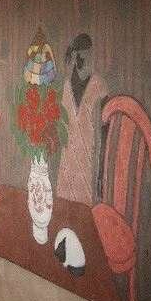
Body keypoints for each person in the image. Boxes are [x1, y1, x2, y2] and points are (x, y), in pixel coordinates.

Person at [55, 33, 107, 204]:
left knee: (85, 207)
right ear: (75, 55)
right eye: (83, 56)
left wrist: (101, 171)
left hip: (88, 159)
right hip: (67, 160)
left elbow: (106, 127)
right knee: (64, 205)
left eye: (89, 55)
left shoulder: (98, 85)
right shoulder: (65, 87)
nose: (87, 61)